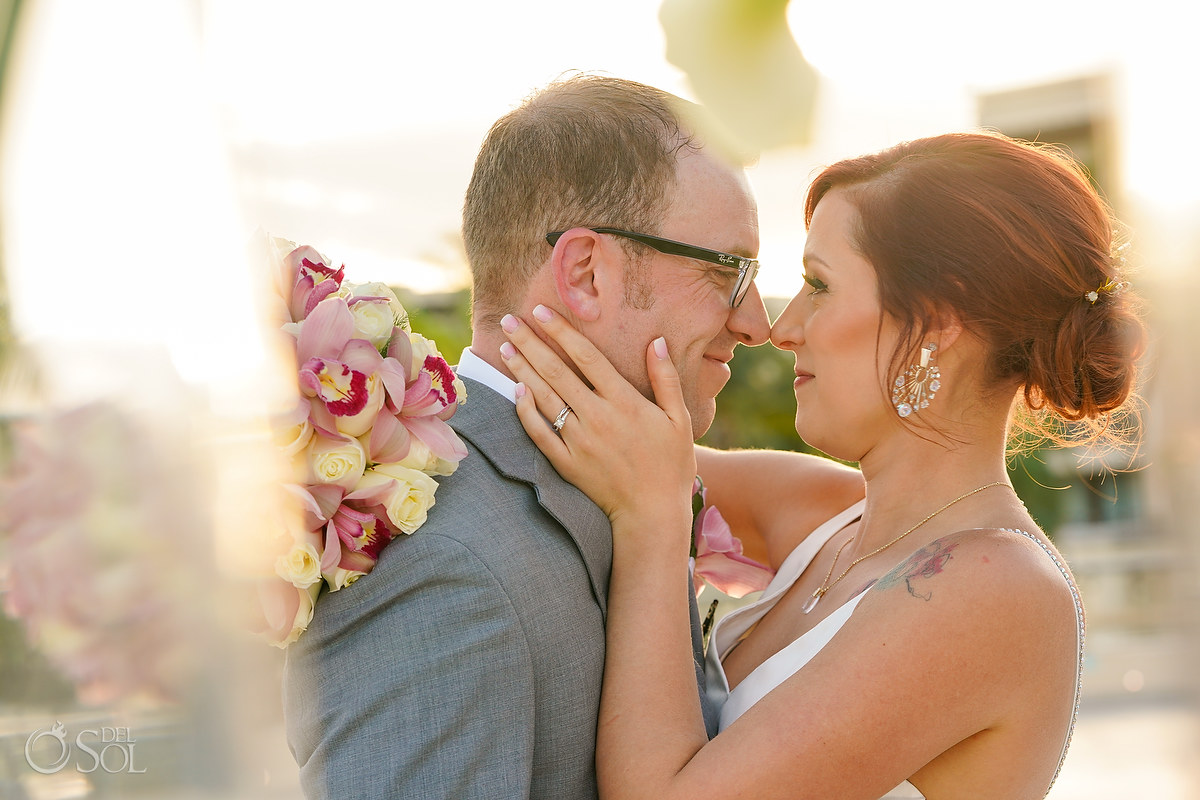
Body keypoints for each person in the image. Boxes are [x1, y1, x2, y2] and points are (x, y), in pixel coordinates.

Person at [499, 131, 1146, 799]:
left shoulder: (996, 588)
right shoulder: (825, 513)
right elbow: (610, 438)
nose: (783, 327)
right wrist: (394, 391)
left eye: (819, 285)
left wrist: (653, 523)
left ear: (937, 320)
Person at [281, 73, 837, 799]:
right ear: (585, 271)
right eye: (728, 273)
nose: (755, 324)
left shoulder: (628, 479)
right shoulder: (447, 561)